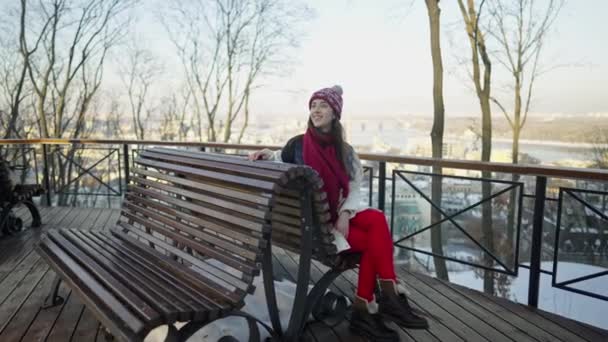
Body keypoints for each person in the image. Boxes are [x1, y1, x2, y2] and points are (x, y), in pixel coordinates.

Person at [249, 85, 428, 341]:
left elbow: (354, 187)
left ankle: (378, 304)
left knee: (377, 219)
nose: (316, 110)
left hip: (333, 219)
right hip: (316, 228)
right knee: (372, 245)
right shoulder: (297, 146)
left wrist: (345, 213)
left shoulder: (346, 151)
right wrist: (265, 155)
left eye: (322, 106)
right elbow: (279, 158)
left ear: (335, 113)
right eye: (313, 106)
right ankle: (372, 307)